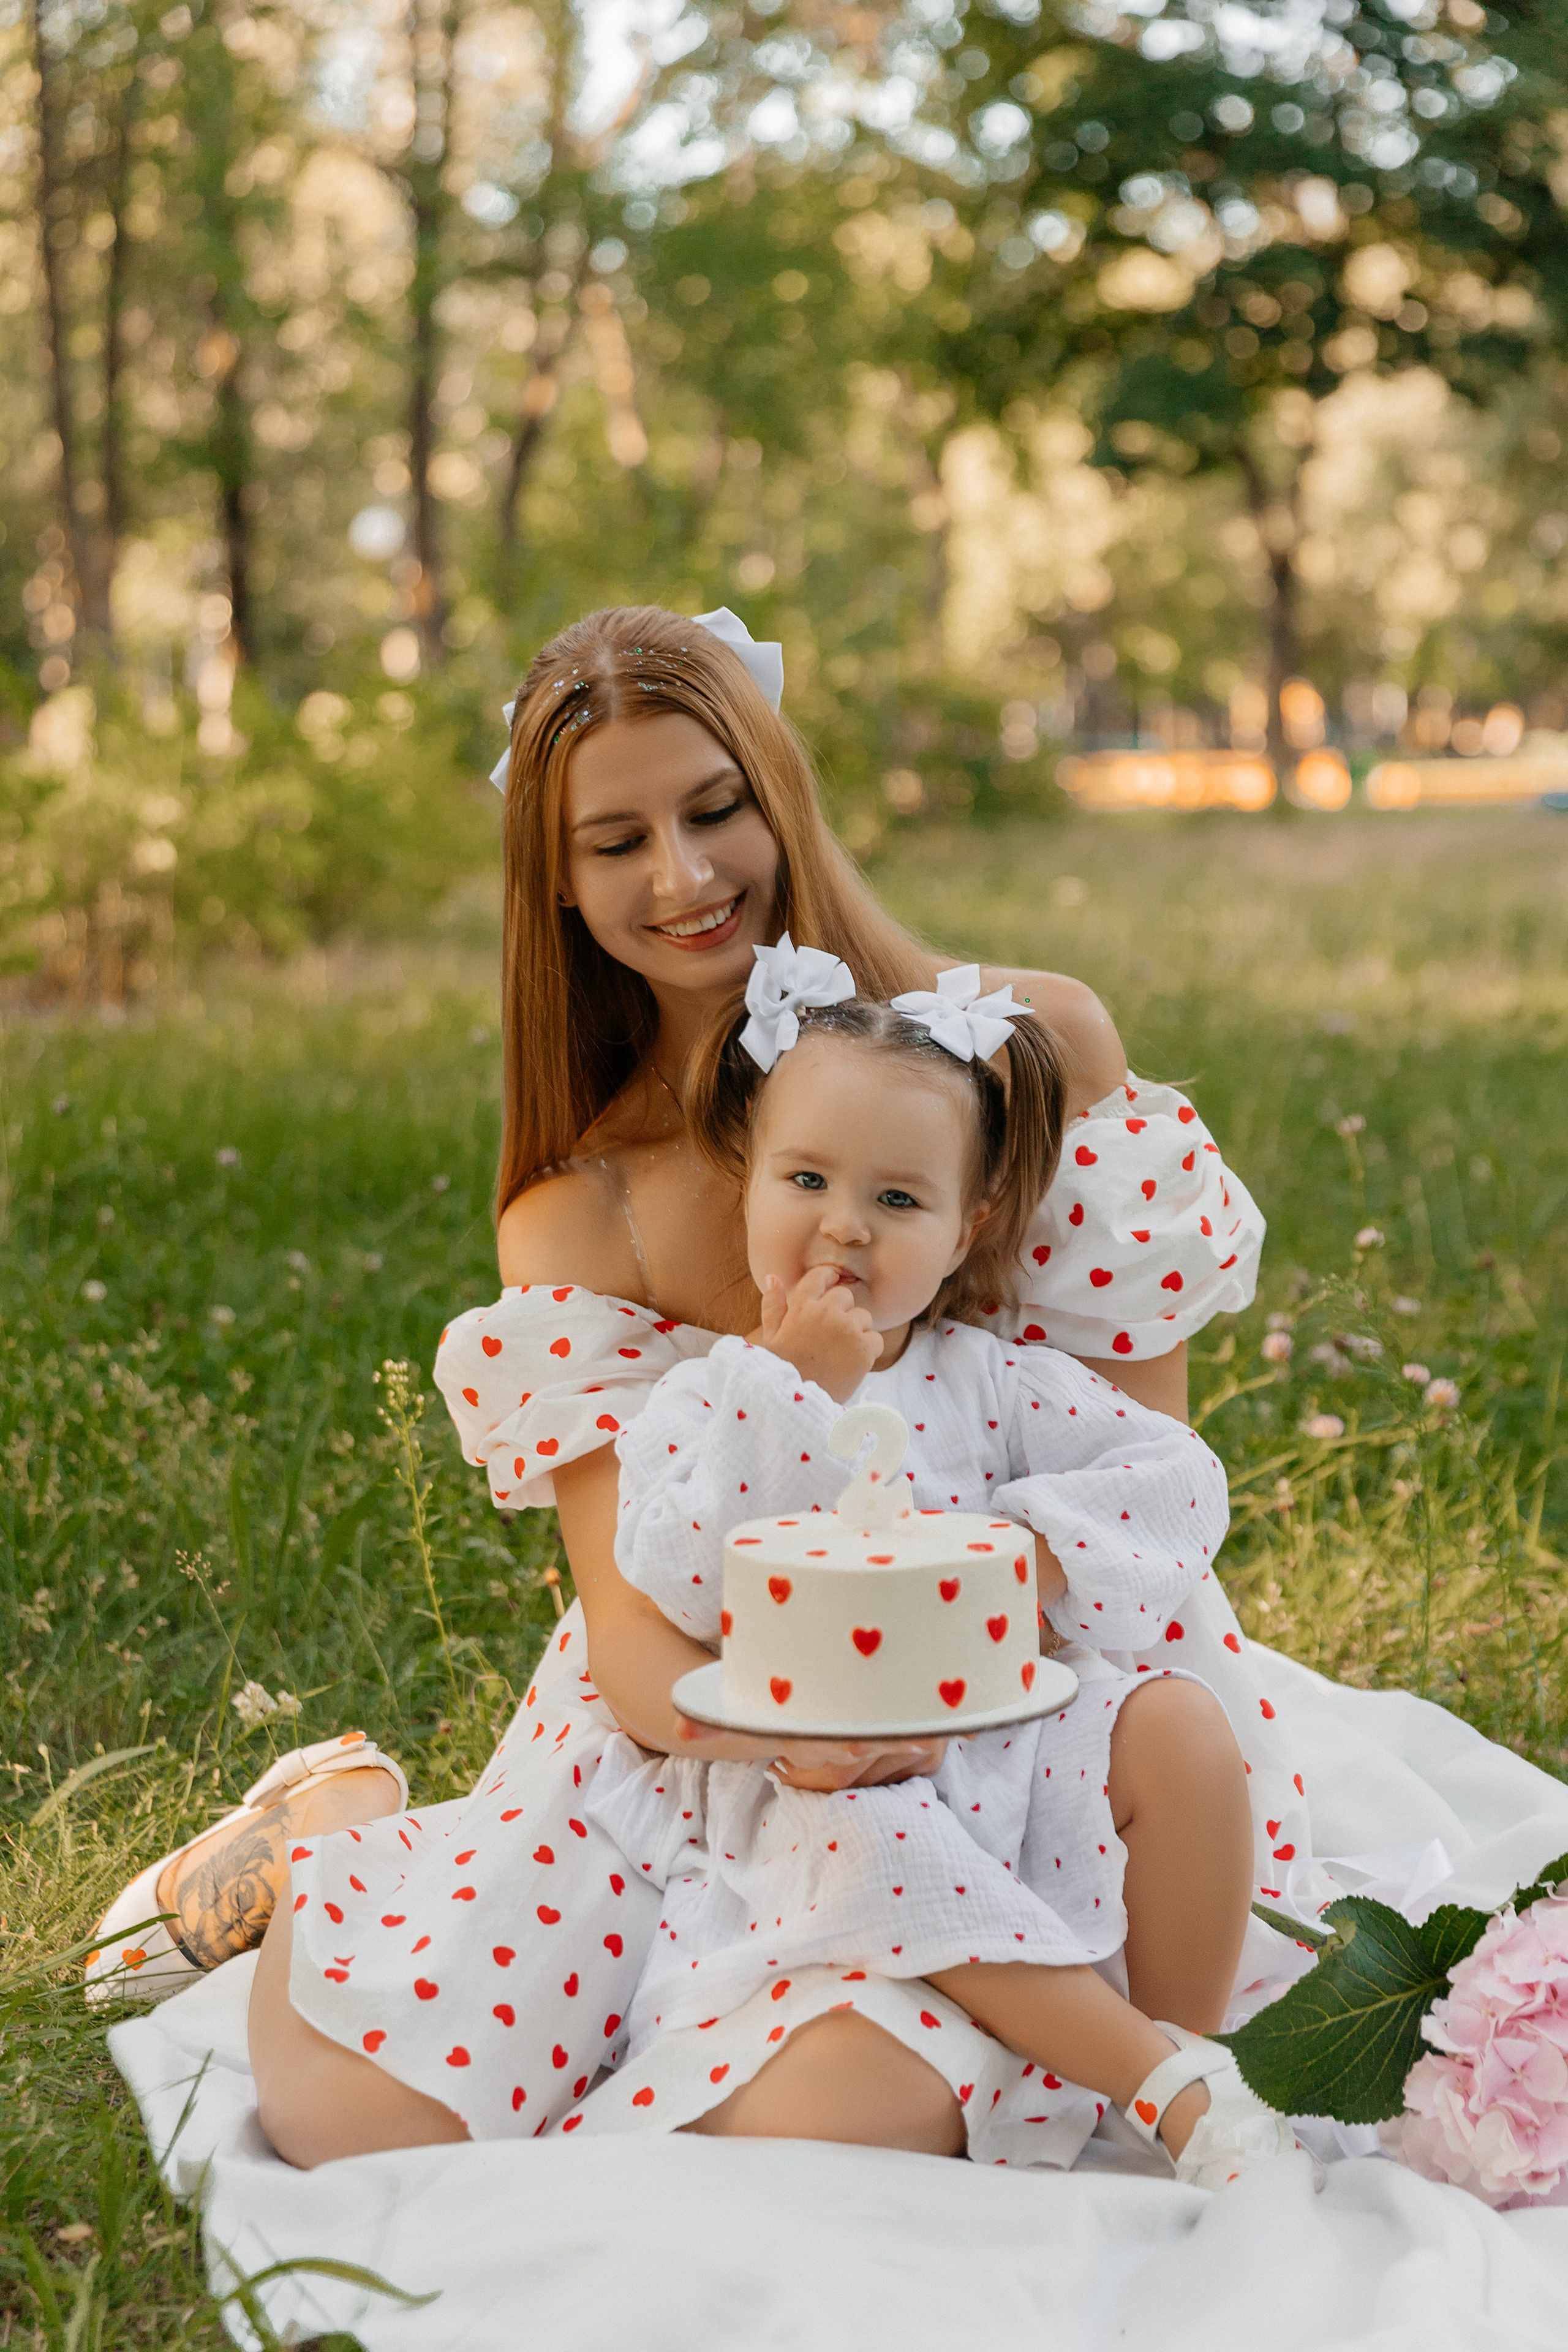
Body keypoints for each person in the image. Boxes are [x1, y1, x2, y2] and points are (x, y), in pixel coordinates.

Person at [89, 603, 1296, 2171]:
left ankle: (1131, 2070)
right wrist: (789, 1740)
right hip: (714, 1724)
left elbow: (1152, 1481)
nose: (680, 877)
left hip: (1040, 1690)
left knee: (859, 2110)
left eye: (714, 809)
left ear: (778, 795)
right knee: (358, 2117)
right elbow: (635, 1634)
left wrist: (962, 1630)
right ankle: (334, 1826)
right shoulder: (582, 1207)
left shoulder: (1023, 1050)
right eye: (615, 841)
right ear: (555, 878)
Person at [556, 967, 1295, 2187]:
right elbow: (687, 1581)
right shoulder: (707, 1400)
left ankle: (1188, 2046)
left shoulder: (988, 1379)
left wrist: (1022, 1552)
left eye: (897, 1199)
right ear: (748, 1185)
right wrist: (793, 1389)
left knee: (1180, 1730)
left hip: (1007, 1741)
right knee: (879, 1838)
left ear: (967, 1228)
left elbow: (1179, 1481)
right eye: (806, 1182)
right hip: (818, 1774)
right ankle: (1161, 2088)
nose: (844, 1226)